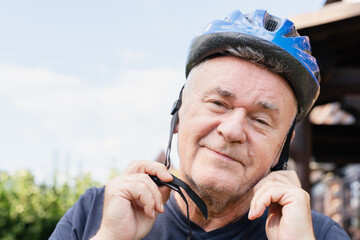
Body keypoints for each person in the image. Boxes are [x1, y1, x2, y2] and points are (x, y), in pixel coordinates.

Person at [50, 9, 350, 240]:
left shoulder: (317, 234)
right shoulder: (95, 214)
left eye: (260, 120)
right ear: (179, 115)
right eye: (218, 104)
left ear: (281, 148)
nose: (231, 131)